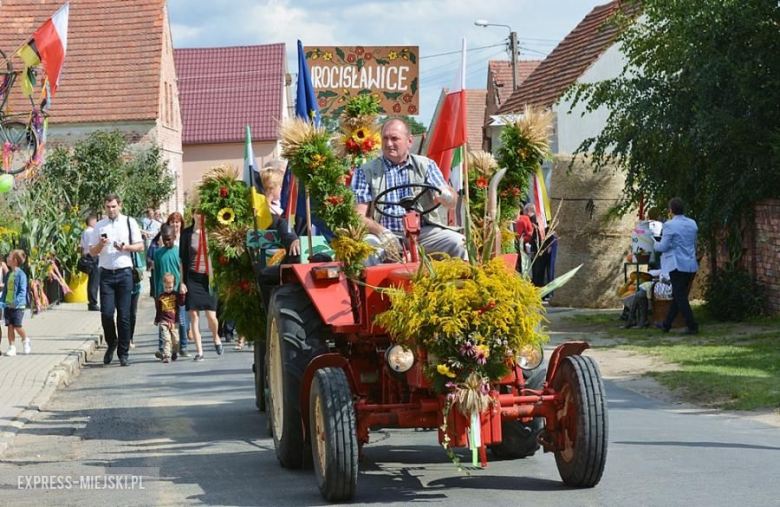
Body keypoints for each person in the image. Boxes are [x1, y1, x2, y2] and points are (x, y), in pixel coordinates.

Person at [350, 118, 467, 262]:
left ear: (409, 141)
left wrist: (447, 195)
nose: (388, 144)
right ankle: (369, 284)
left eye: (394, 139)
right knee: (366, 250)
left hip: (423, 232)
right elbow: (358, 217)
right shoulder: (365, 171)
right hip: (384, 234)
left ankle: (465, 283)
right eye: (385, 138)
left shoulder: (426, 165)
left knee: (460, 243)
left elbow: (450, 201)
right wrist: (382, 232)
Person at [90, 193, 144, 367]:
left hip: (124, 272)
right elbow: (91, 252)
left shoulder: (129, 222)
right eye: (108, 207)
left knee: (124, 315)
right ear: (104, 207)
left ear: (120, 205)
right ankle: (111, 341)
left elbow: (140, 245)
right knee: (106, 313)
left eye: (114, 206)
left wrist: (126, 247)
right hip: (106, 274)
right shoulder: (99, 225)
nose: (111, 209)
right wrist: (101, 244)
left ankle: (123, 352)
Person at [179, 210, 223, 362]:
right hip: (192, 277)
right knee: (194, 316)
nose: (200, 215)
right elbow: (182, 260)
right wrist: (182, 282)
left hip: (208, 278)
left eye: (203, 212)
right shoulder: (186, 234)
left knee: (211, 316)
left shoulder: (211, 232)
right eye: (197, 212)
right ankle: (200, 352)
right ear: (193, 215)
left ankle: (216, 336)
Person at [653, 197, 699, 334]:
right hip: (690, 263)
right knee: (679, 295)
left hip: (676, 264)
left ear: (671, 211)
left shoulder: (669, 225)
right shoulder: (692, 223)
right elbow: (693, 244)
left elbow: (663, 246)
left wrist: (654, 244)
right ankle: (666, 324)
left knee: (680, 296)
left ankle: (692, 326)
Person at [152, 225, 188, 357]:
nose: (167, 242)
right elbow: (156, 275)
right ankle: (162, 348)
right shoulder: (158, 254)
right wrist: (156, 293)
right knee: (163, 319)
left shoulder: (179, 253)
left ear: (174, 237)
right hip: (163, 293)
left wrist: (183, 286)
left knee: (180, 319)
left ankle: (182, 345)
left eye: (169, 239)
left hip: (177, 293)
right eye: (164, 239)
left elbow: (183, 272)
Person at [1, 250, 30, 356]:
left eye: (9, 256)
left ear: (14, 260)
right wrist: (2, 301)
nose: (6, 258)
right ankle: (12, 347)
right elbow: (6, 290)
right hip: (8, 305)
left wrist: (16, 302)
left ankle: (25, 340)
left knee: (17, 326)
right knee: (10, 326)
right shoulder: (8, 274)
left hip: (18, 305)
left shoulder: (21, 275)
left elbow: (22, 291)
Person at [154, 272, 185, 363]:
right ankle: (167, 355)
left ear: (174, 285)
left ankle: (174, 352)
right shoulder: (161, 296)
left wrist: (183, 294)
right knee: (166, 339)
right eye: (166, 287)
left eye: (170, 287)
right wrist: (157, 319)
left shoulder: (176, 295)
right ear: (163, 285)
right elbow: (158, 309)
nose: (168, 289)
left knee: (176, 341)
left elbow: (182, 303)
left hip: (174, 321)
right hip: (164, 321)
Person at [80, 215, 100, 311]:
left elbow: (82, 247)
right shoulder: (91, 232)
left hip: (88, 256)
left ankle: (92, 302)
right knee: (94, 281)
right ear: (91, 222)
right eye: (96, 221)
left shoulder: (84, 232)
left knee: (92, 280)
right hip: (94, 257)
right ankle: (93, 303)